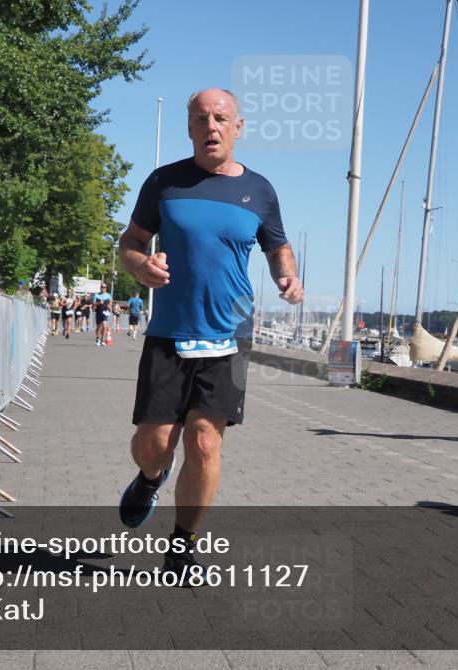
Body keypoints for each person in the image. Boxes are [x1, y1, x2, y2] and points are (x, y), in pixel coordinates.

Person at [117, 88, 303, 585]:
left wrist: (288, 275)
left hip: (228, 336)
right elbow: (131, 241)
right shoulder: (164, 182)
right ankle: (150, 477)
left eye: (220, 118)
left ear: (238, 127)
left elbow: (278, 247)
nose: (211, 127)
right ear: (189, 129)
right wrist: (139, 265)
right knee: (155, 443)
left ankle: (182, 550)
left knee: (203, 442)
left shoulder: (259, 190)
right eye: (201, 119)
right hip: (169, 333)